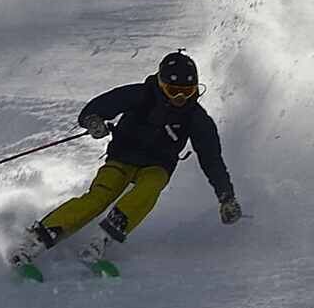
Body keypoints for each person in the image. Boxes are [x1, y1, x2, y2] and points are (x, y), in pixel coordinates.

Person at [23, 48, 242, 261]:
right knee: (99, 197)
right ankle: (41, 236)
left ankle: (108, 235)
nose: (179, 97)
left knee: (151, 187)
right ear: (161, 84)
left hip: (157, 166)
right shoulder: (141, 95)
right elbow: (96, 107)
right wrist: (93, 121)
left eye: (186, 91)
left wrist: (226, 197)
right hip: (122, 157)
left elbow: (212, 159)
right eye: (172, 90)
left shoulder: (195, 118)